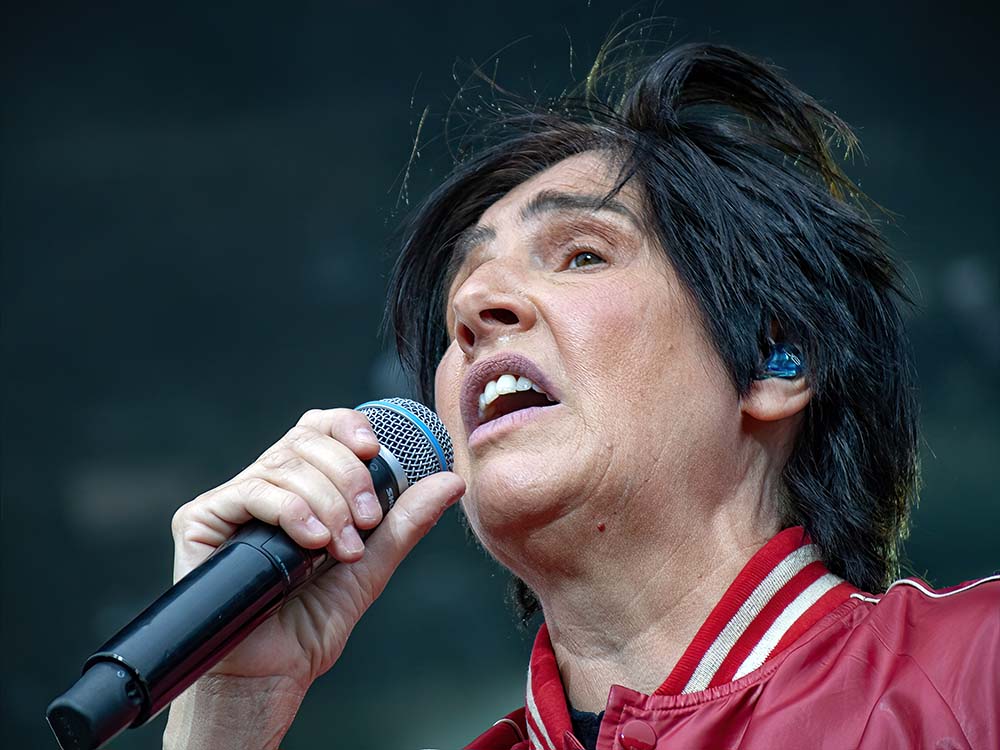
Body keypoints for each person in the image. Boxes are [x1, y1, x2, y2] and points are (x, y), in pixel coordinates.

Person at [162, 38, 999, 750]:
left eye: (582, 255)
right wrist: (228, 706)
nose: (473, 307)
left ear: (773, 362)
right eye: (460, 295)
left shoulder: (977, 671)